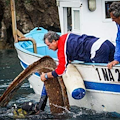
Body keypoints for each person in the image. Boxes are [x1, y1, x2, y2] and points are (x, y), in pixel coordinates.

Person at [40, 31, 115, 81]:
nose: (49, 48)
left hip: (98, 49)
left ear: (54, 41)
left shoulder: (62, 49)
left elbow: (60, 71)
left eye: (49, 45)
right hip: (105, 42)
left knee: (101, 73)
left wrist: (46, 76)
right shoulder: (67, 35)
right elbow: (75, 47)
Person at [107, 2, 120, 69]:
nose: (112, 20)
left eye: (114, 18)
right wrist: (117, 59)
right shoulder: (118, 24)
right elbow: (119, 40)